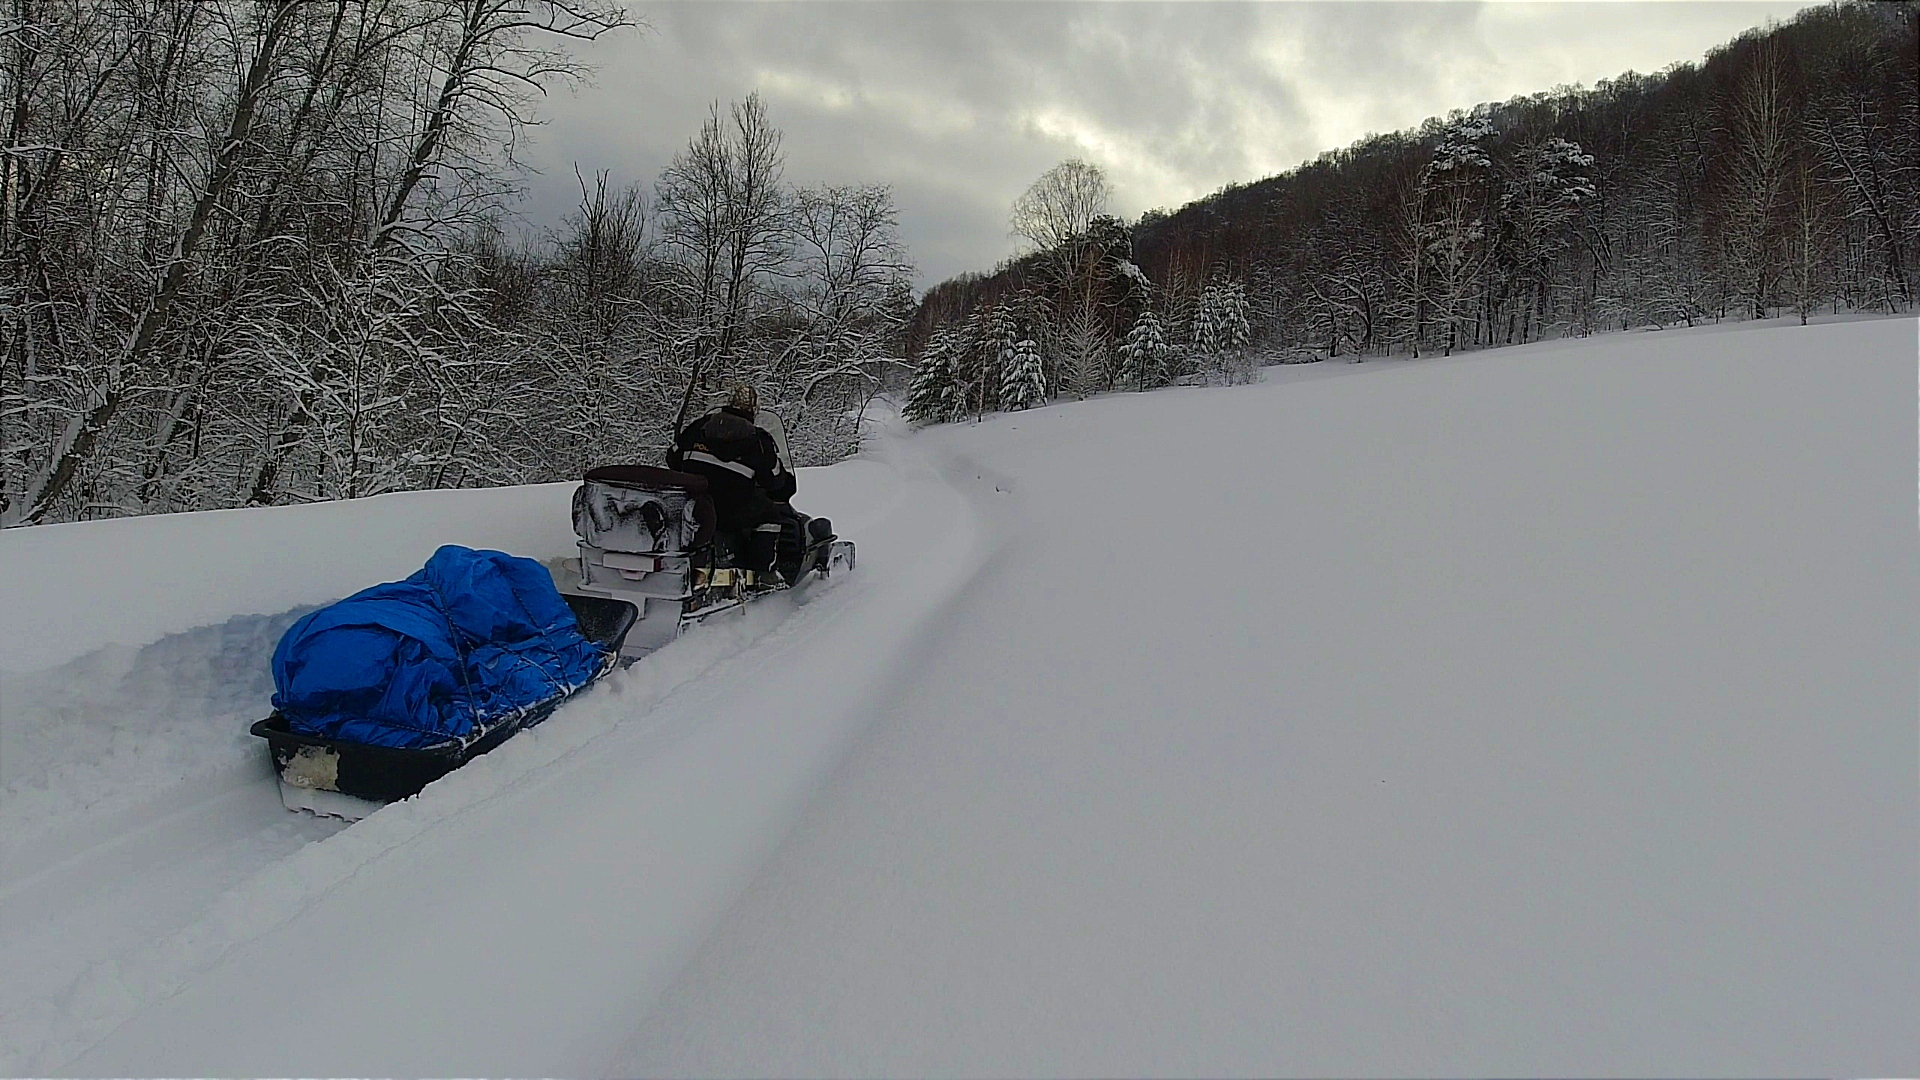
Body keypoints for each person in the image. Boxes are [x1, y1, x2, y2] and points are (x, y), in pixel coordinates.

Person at [668, 384, 801, 581]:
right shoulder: (758, 440)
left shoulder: (699, 426)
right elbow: (774, 479)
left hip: (692, 506)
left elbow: (672, 457)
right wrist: (782, 480)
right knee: (770, 515)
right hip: (729, 510)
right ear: (754, 410)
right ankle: (761, 575)